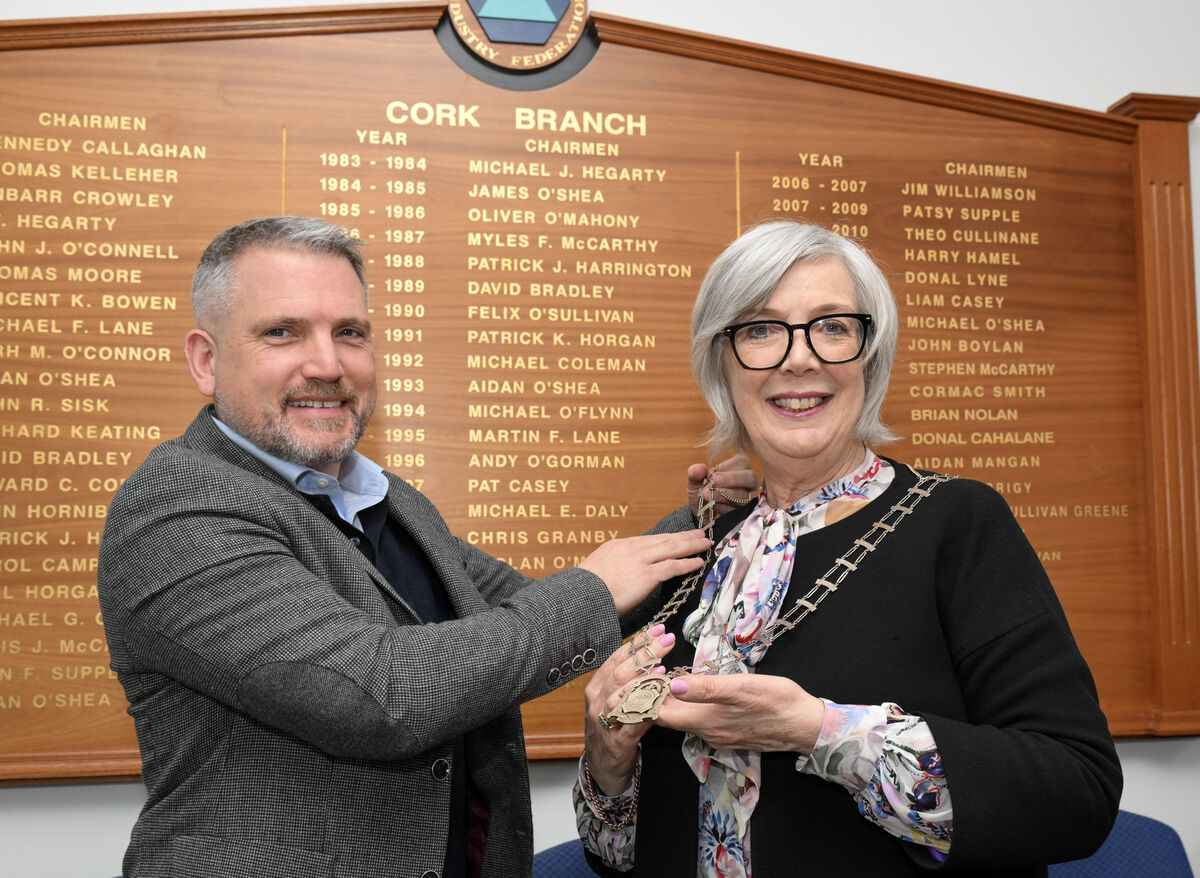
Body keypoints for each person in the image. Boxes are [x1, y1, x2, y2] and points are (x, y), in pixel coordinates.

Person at [97, 216, 755, 878]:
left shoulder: (384, 499)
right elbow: (380, 696)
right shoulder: (175, 509)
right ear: (206, 360)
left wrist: (717, 517)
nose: (327, 365)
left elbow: (535, 608)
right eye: (282, 332)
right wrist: (592, 589)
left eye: (349, 333)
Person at [575, 220, 1122, 877]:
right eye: (759, 329)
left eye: (832, 326)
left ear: (871, 351)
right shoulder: (686, 554)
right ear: (719, 361)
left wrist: (819, 730)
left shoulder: (957, 523)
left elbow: (1078, 795)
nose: (797, 358)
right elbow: (613, 858)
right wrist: (606, 761)